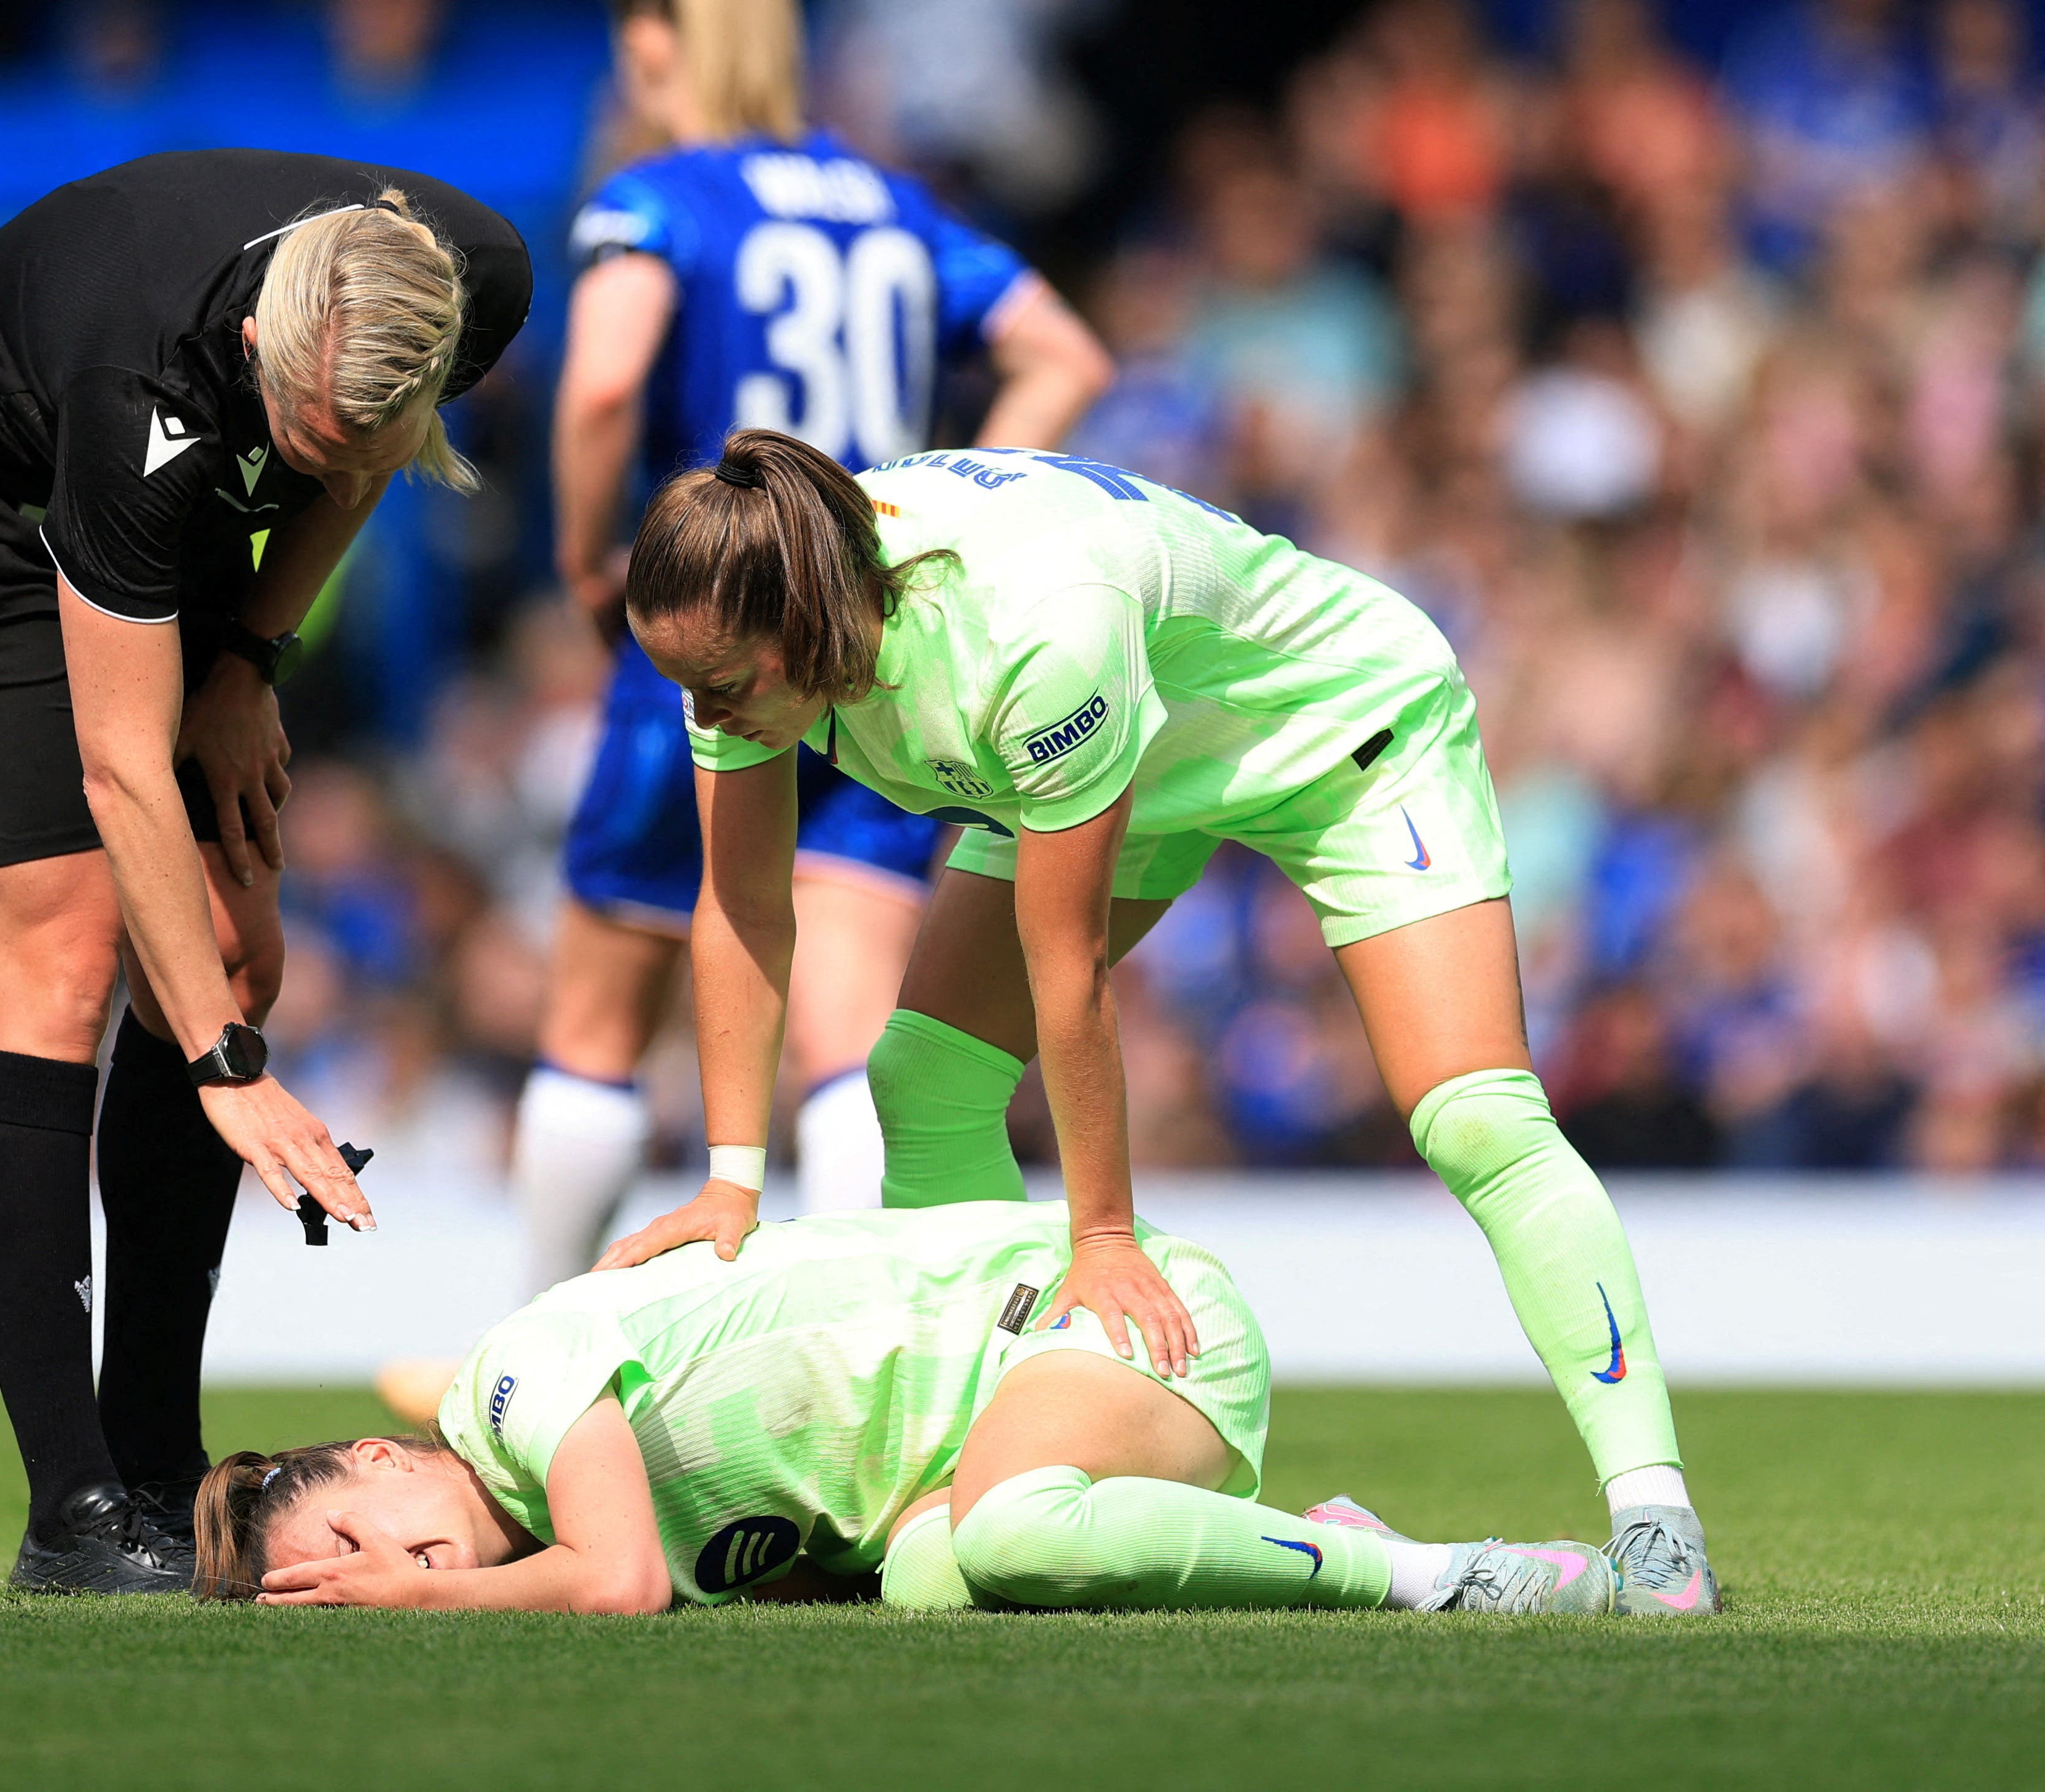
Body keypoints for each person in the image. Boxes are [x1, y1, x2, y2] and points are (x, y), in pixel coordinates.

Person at [602, 429, 1719, 1618]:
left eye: (722, 683)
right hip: (1135, 751)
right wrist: (731, 1181)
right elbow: (742, 901)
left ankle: (1657, 1524)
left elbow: (1067, 966)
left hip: (1339, 733)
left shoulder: (1031, 629)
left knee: (1474, 1118)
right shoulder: (752, 614)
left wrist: (1104, 1236)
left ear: (808, 621)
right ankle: (974, 1468)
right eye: (684, 683)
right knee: (926, 1076)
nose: (702, 710)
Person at [0, 151, 529, 1593]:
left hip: (174, 511)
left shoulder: (469, 280)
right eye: (307, 432)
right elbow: (122, 767)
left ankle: (152, 1457)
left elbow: (357, 452)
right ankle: (70, 1510)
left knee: (235, 950)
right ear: (261, 335)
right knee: (66, 951)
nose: (333, 463)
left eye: (360, 441)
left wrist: (252, 654)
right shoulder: (139, 378)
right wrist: (222, 1061)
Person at [521, 0, 1111, 1295]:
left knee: (599, 1012)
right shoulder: (895, 207)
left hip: (710, 621)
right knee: (847, 1026)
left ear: (656, 44)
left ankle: (532, 1346)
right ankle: (845, 1345)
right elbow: (1062, 353)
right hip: (863, 632)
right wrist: (940, 496)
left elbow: (607, 380)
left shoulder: (658, 196)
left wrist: (584, 561)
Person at [193, 1199, 1620, 1617]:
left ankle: (1444, 1577)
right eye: (329, 1584)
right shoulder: (547, 1492)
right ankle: (1273, 1535)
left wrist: (413, 1604)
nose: (371, 1569)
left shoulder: (511, 1381)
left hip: (1114, 1314)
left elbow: (614, 1584)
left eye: (349, 1538)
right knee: (933, 1580)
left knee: (1002, 1538)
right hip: (1014, 1417)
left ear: (379, 1456)